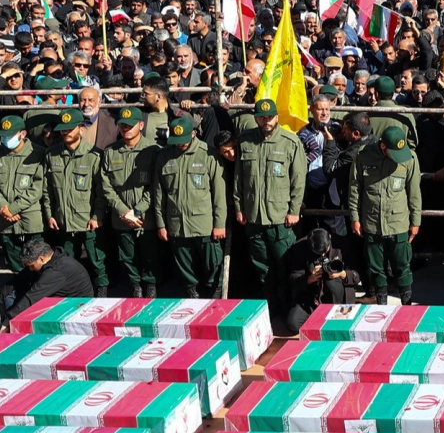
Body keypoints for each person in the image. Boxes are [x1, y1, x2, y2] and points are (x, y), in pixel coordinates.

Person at [234, 98, 306, 304]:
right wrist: (239, 207)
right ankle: (270, 304)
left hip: (280, 217)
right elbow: (239, 177)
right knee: (261, 265)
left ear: (277, 117)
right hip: (254, 216)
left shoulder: (290, 142)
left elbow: (298, 180)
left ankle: (289, 304)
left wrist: (294, 210)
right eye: (262, 117)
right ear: (256, 119)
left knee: (286, 263)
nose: (266, 121)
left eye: (270, 117)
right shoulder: (245, 141)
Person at [346, 125, 423, 304]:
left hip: (398, 222)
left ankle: (406, 301)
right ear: (383, 146)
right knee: (375, 267)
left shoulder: (410, 158)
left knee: (402, 265)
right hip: (372, 222)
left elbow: (414, 193)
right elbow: (355, 187)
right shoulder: (363, 155)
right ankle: (381, 301)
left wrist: (415, 221)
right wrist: (355, 218)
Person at [154, 116, 228, 298]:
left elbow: (219, 193)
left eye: (184, 140)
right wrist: (160, 224)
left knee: (213, 264)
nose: (180, 145)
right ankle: (192, 293)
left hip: (204, 223)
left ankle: (214, 293)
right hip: (177, 223)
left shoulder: (208, 154)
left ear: (193, 134)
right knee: (184, 266)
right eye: (176, 141)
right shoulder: (164, 156)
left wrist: (220, 223)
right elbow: (158, 193)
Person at [99, 105, 164, 297]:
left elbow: (156, 186)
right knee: (127, 255)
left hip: (146, 217)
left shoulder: (153, 151)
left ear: (141, 125)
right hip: (121, 217)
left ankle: (151, 286)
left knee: (150, 255)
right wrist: (122, 210)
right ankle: (135, 286)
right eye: (122, 125)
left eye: (130, 125)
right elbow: (106, 185)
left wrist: (137, 210)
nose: (125, 129)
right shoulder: (111, 152)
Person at [45, 107, 107, 293]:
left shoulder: (94, 155)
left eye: (70, 128)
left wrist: (97, 215)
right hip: (63, 219)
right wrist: (50, 214)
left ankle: (102, 290)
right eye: (63, 129)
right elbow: (47, 190)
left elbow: (101, 190)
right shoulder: (52, 155)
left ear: (81, 128)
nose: (65, 132)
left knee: (96, 259)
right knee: (68, 259)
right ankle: (73, 291)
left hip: (87, 219)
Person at [0, 115, 49, 276]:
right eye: (3, 136)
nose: (5, 139)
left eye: (9, 136)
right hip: (4, 219)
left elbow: (38, 187)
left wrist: (13, 208)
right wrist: (3, 206)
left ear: (23, 134)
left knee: (38, 262)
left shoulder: (38, 154)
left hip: (30, 219)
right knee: (14, 263)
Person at [283, 227, 359, 332]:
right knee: (293, 324)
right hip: (311, 295)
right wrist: (310, 278)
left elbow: (357, 275)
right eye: (318, 254)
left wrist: (342, 274)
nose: (323, 255)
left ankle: (337, 317)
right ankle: (318, 317)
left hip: (336, 293)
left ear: (330, 239)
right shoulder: (300, 247)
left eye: (325, 251)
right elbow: (293, 277)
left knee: (332, 284)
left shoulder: (342, 244)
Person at [2, 238, 94, 324]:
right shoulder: (53, 256)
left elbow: (32, 296)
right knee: (12, 294)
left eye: (31, 265)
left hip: (74, 307)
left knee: (13, 301)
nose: (30, 269)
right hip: (62, 298)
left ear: (41, 258)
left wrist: (7, 322)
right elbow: (20, 278)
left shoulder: (55, 271)